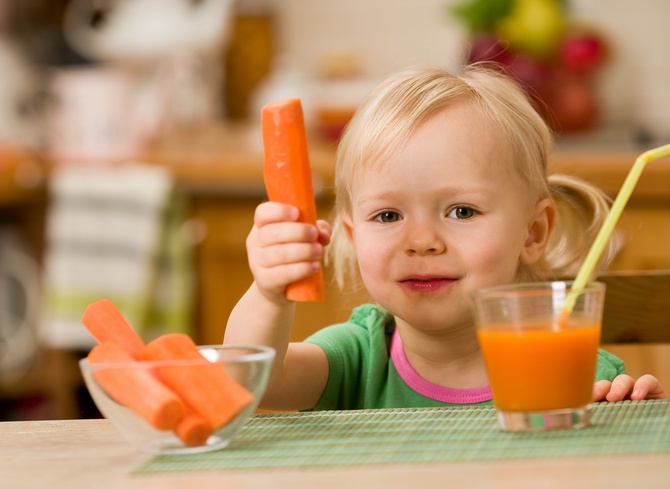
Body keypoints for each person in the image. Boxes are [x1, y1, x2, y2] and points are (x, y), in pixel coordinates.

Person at [225, 65, 666, 411]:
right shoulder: (357, 357)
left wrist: (629, 423)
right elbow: (246, 385)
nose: (421, 241)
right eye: (387, 214)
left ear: (532, 233)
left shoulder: (578, 372)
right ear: (353, 237)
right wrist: (269, 294)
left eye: (461, 211)